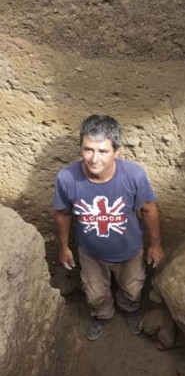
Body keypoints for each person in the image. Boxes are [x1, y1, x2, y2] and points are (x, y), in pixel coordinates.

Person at [53, 114, 164, 341]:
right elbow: (62, 213)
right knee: (94, 294)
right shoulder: (66, 178)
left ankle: (130, 308)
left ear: (117, 151)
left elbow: (149, 210)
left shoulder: (133, 175)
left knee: (133, 289)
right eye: (88, 149)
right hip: (90, 253)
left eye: (103, 151)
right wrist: (64, 246)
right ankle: (102, 314)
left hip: (130, 251)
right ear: (80, 148)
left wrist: (155, 245)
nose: (94, 159)